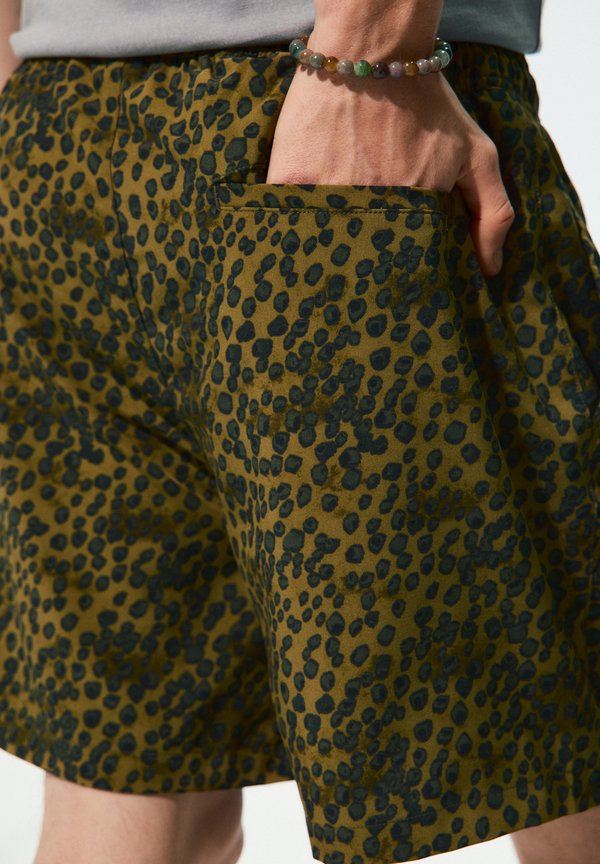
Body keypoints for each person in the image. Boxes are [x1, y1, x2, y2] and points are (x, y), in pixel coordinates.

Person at [0, 2, 599, 864]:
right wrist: (371, 59)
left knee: (128, 775)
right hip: (319, 89)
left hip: (58, 136)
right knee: (572, 731)